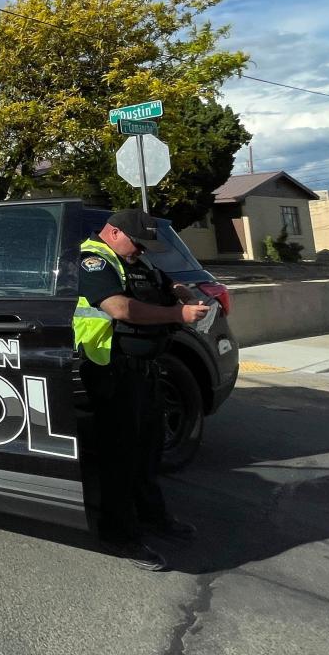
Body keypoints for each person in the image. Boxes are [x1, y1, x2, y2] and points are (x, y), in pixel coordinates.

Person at [73, 208, 210, 571]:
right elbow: (119, 308)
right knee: (118, 458)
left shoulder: (134, 261)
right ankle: (119, 537)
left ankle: (152, 518)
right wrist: (177, 316)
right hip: (110, 371)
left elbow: (163, 284)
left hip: (145, 372)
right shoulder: (94, 261)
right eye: (137, 243)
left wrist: (179, 291)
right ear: (114, 233)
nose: (142, 251)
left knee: (147, 451)